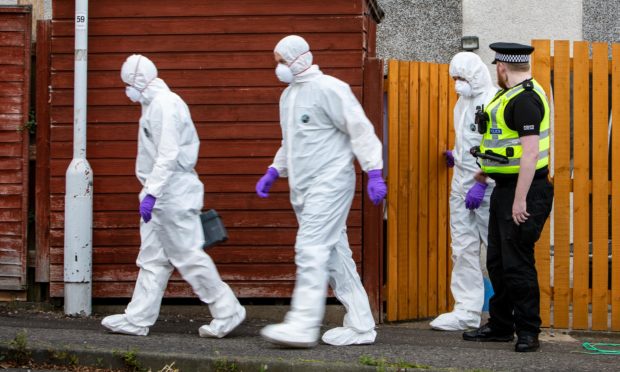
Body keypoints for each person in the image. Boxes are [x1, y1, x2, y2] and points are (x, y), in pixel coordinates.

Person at [255, 35, 387, 348]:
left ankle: (302, 324)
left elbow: (360, 129)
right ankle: (361, 323)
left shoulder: (330, 88)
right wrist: (275, 170)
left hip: (330, 182)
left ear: (298, 59)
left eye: (282, 61)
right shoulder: (288, 97)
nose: (279, 68)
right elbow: (291, 142)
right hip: (302, 188)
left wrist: (374, 171)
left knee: (310, 248)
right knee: (334, 256)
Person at [101, 54, 245, 338]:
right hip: (162, 192)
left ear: (138, 81)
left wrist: (152, 193)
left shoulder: (165, 105)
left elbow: (168, 154)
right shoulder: (154, 104)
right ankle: (138, 318)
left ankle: (228, 311)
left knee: (188, 255)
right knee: (153, 258)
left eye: (127, 84)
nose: (126, 90)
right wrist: (151, 193)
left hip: (172, 192)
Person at [462, 43, 554, 352]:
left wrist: (520, 200)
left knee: (517, 263)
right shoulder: (510, 96)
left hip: (525, 191)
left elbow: (530, 154)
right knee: (498, 262)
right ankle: (501, 326)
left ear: (502, 68)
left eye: (495, 68)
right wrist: (485, 174)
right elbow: (506, 148)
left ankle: (529, 331)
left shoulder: (525, 99)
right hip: (505, 188)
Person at [430, 52, 498, 331]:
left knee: (497, 252)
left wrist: (483, 182)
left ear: (476, 75)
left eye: (462, 78)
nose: (457, 83)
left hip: (487, 191)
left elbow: (498, 147)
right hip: (460, 187)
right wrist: (456, 155)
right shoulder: (463, 102)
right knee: (462, 250)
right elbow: (468, 140)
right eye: (455, 78)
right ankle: (467, 311)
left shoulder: (494, 102)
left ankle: (505, 313)